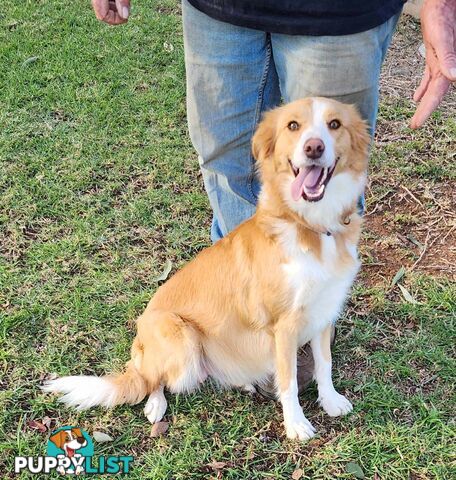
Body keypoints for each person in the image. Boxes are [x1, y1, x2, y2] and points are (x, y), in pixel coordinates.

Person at [90, 0, 456, 397]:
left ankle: (305, 321)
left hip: (339, 13)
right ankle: (248, 330)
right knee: (227, 162)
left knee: (327, 162)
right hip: (217, 10)